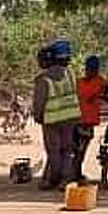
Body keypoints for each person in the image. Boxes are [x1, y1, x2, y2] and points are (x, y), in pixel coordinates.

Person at [31, 39, 81, 190]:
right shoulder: (71, 74)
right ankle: (65, 180)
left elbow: (39, 103)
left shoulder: (43, 79)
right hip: (70, 118)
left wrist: (38, 117)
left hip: (51, 120)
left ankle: (53, 179)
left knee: (53, 151)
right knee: (67, 149)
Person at [74, 55, 108, 181]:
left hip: (78, 121)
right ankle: (75, 174)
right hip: (85, 122)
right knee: (80, 150)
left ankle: (75, 172)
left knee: (77, 150)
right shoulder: (101, 82)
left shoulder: (78, 82)